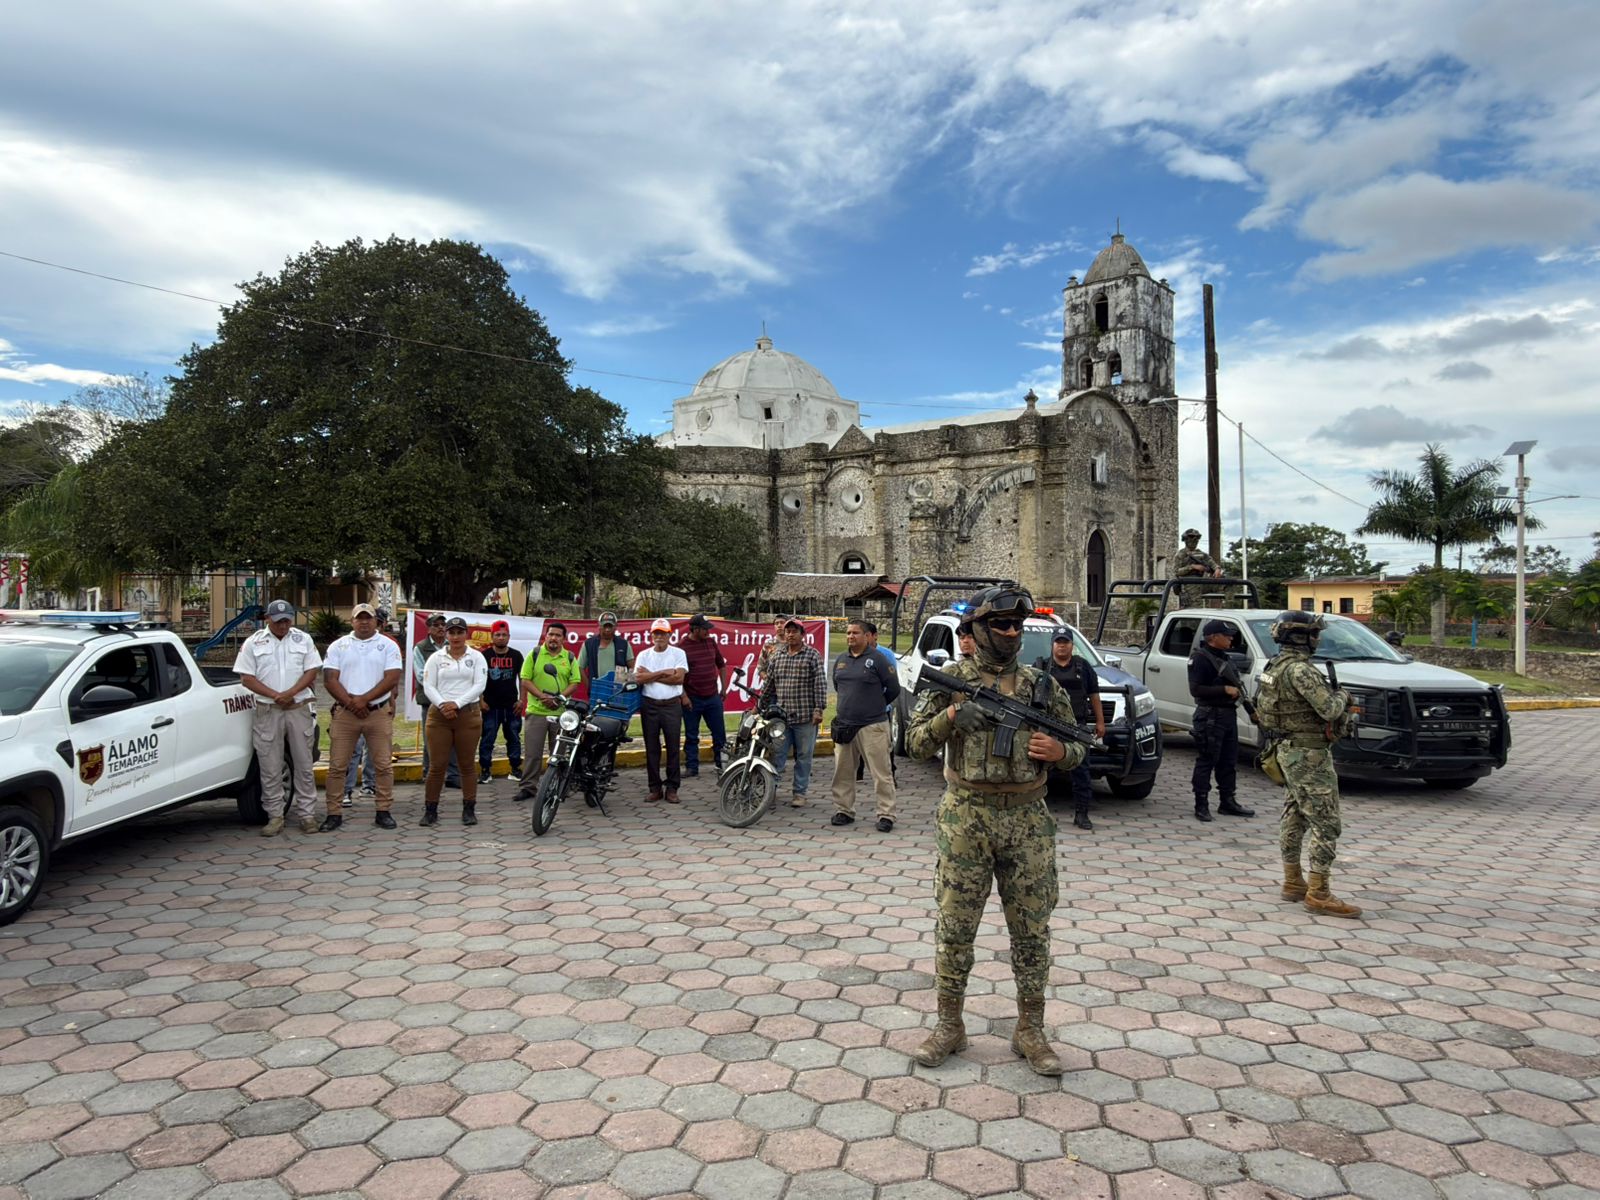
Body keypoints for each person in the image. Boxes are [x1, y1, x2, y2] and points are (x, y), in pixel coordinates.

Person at [905, 587, 1084, 1075]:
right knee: (955, 928)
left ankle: (1030, 1029)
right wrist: (950, 717)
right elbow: (914, 744)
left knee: (1032, 931)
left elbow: (1078, 747)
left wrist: (1060, 753)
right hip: (966, 816)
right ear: (978, 630)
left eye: (1016, 625)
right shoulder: (951, 682)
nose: (1010, 632)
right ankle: (949, 1025)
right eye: (1001, 624)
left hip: (1028, 821)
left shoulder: (1042, 687)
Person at [1258, 610, 1361, 918]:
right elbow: (1329, 709)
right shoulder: (1301, 670)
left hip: (1287, 749)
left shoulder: (1275, 666)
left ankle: (1293, 881)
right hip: (1309, 754)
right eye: (1314, 634)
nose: (1317, 639)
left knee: (1294, 816)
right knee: (1326, 823)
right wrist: (1343, 696)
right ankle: (1319, 893)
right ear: (1300, 637)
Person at [233, 599, 322, 836]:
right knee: (270, 766)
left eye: (287, 620)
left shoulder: (303, 639)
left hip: (298, 707)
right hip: (268, 709)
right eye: (278, 621)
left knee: (304, 764)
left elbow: (312, 670)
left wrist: (290, 693)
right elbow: (246, 678)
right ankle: (275, 816)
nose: (283, 625)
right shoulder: (253, 642)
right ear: (267, 619)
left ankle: (307, 815)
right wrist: (276, 695)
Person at [321, 602, 403, 832]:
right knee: (337, 766)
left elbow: (392, 677)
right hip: (346, 713)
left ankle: (383, 810)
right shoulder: (338, 646)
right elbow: (329, 679)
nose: (364, 622)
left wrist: (364, 700)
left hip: (377, 712)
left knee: (383, 765)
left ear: (376, 621)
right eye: (360, 618)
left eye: (369, 618)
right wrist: (352, 703)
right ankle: (334, 813)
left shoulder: (388, 645)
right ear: (352, 621)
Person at [830, 620, 900, 831]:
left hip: (872, 726)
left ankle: (886, 814)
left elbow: (893, 688)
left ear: (867, 636)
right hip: (845, 725)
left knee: (881, 773)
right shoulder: (841, 660)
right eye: (848, 633)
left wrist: (874, 705)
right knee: (843, 772)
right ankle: (844, 810)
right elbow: (837, 685)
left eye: (855, 633)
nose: (851, 636)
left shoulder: (878, 659)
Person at [1186, 619, 1255, 824]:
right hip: (1210, 716)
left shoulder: (1226, 658)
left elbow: (1239, 689)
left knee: (1229, 761)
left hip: (1227, 715)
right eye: (1226, 636)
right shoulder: (1200, 658)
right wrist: (1223, 689)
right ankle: (1201, 804)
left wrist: (1252, 712)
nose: (1230, 639)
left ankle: (1228, 801)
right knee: (1207, 760)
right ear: (1213, 637)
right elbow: (1196, 689)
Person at [1036, 630, 1105, 831]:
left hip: (1077, 726)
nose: (1062, 645)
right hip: (1048, 726)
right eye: (1058, 642)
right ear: (1052, 645)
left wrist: (1100, 722)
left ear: (1071, 645)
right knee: (1039, 771)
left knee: (1081, 772)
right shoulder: (1041, 667)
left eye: (1065, 642)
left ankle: (1082, 814)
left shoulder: (1083, 667)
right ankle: (1040, 816)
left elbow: (1094, 695)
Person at [421, 616, 487, 826]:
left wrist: (457, 704)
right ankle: (430, 810)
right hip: (439, 716)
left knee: (466, 764)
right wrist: (443, 704)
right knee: (437, 765)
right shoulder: (436, 658)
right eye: (452, 632)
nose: (456, 637)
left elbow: (479, 685)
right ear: (446, 634)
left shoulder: (476, 657)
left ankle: (469, 808)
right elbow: (428, 685)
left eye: (460, 632)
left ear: (466, 634)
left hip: (467, 714)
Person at [759, 617, 827, 808]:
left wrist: (819, 709)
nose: (790, 634)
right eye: (788, 631)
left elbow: (820, 684)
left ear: (802, 634)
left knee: (804, 757)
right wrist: (759, 707)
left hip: (805, 717)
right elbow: (768, 686)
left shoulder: (812, 655)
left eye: (794, 631)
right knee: (776, 756)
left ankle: (799, 793)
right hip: (782, 719)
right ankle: (770, 793)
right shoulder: (777, 656)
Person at [516, 621, 581, 798]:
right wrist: (542, 697)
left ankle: (558, 787)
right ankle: (528, 787)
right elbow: (525, 679)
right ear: (546, 636)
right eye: (551, 634)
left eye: (558, 635)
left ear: (563, 639)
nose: (553, 638)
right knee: (532, 754)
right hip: (536, 711)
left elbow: (575, 682)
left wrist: (559, 698)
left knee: (559, 754)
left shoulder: (569, 657)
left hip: (560, 714)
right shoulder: (535, 654)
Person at [635, 618, 689, 803]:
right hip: (649, 704)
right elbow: (639, 679)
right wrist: (663, 672)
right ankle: (655, 788)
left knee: (673, 747)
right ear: (651, 635)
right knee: (652, 748)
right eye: (656, 633)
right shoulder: (643, 655)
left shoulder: (678, 653)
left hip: (672, 705)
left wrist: (650, 675)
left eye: (663, 633)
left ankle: (672, 788)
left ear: (669, 635)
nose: (659, 637)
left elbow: (679, 679)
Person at [412, 614, 461, 790]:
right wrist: (441, 690)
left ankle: (453, 775)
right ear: (428, 628)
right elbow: (421, 675)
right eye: (436, 624)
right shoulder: (420, 648)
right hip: (430, 701)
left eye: (443, 624)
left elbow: (460, 672)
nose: (440, 627)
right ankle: (429, 774)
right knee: (431, 740)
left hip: (452, 700)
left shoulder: (453, 646)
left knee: (454, 738)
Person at [680, 614, 728, 776]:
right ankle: (692, 767)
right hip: (692, 698)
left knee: (719, 733)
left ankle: (721, 764)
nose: (708, 632)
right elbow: (678, 676)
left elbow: (721, 665)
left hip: (713, 696)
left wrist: (724, 688)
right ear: (695, 629)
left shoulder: (711, 642)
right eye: (705, 629)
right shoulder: (682, 647)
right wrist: (684, 696)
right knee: (691, 735)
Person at [478, 620, 524, 785]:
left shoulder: (516, 655)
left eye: (504, 635)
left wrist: (522, 700)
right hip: (490, 706)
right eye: (498, 634)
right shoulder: (484, 655)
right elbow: (478, 679)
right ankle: (485, 771)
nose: (501, 637)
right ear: (492, 636)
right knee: (487, 739)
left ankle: (515, 769)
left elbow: (523, 679)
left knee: (514, 738)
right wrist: (480, 700)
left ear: (509, 637)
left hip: (511, 706)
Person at [579, 611, 632, 690]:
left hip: (618, 691)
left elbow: (632, 667)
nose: (607, 630)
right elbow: (580, 668)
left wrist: (627, 686)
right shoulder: (589, 644)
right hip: (597, 691)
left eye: (610, 627)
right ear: (599, 626)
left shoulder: (624, 644)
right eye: (604, 626)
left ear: (615, 627)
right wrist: (590, 687)